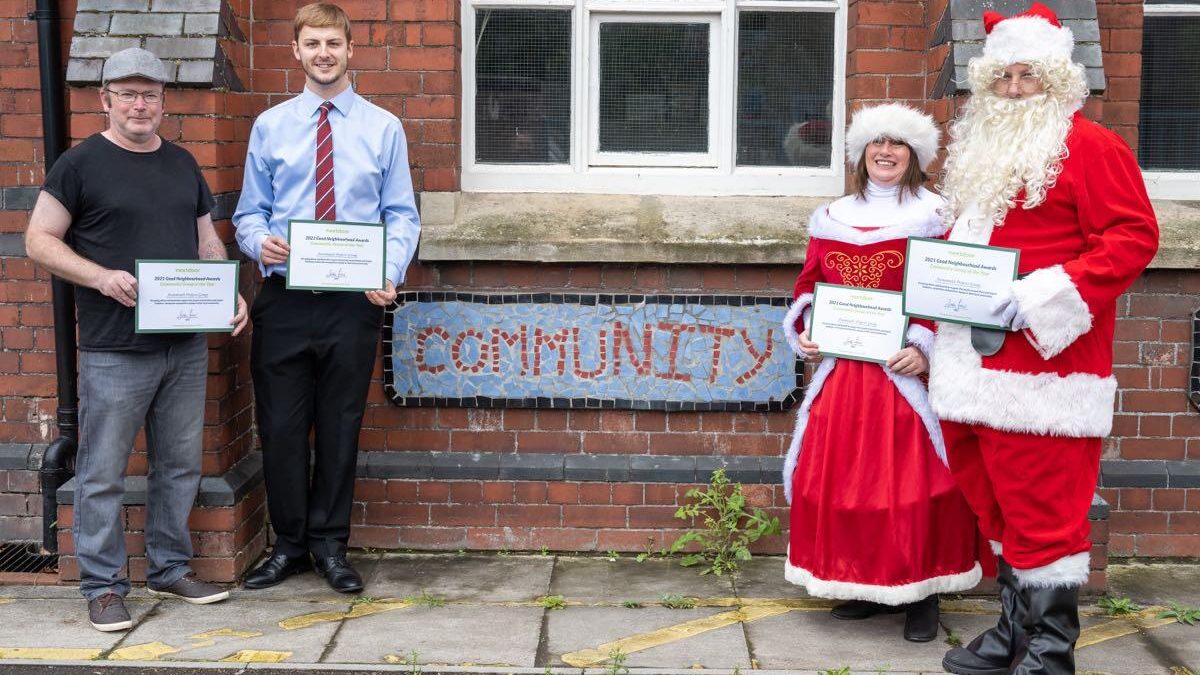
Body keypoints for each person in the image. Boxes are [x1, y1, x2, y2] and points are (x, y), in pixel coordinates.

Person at [931, 4, 1159, 674]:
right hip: (972, 363)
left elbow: (1133, 238)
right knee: (995, 502)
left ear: (1057, 80)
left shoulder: (1093, 147)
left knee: (1044, 507)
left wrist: (1042, 294)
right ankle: (1014, 633)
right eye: (1003, 76)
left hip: (1044, 369)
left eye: (1028, 75)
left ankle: (1051, 651)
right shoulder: (982, 150)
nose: (1013, 89)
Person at [24, 47, 247, 631]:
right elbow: (39, 240)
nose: (139, 104)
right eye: (127, 94)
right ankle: (102, 586)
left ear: (164, 102)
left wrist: (227, 292)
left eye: (150, 94)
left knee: (178, 465)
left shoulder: (182, 164)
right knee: (102, 472)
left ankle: (170, 567)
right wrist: (100, 276)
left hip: (183, 345)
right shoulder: (79, 165)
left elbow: (205, 241)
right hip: (114, 348)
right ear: (106, 100)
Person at [233, 2, 420, 593]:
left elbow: (401, 215)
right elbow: (249, 212)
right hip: (285, 298)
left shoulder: (383, 128)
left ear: (350, 50)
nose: (323, 54)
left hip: (353, 302)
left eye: (333, 43)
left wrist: (388, 271)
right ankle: (288, 546)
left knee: (341, 426)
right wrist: (259, 242)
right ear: (296, 51)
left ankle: (330, 546)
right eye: (312, 44)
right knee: (281, 428)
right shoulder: (271, 126)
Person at [781, 103, 982, 643]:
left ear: (914, 155)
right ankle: (865, 584)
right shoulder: (832, 217)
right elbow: (809, 285)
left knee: (915, 485)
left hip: (905, 376)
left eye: (897, 143)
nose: (886, 152)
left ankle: (923, 593)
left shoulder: (937, 217)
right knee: (847, 483)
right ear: (861, 152)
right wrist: (808, 327)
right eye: (877, 142)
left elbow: (953, 292)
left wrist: (925, 345)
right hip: (845, 375)